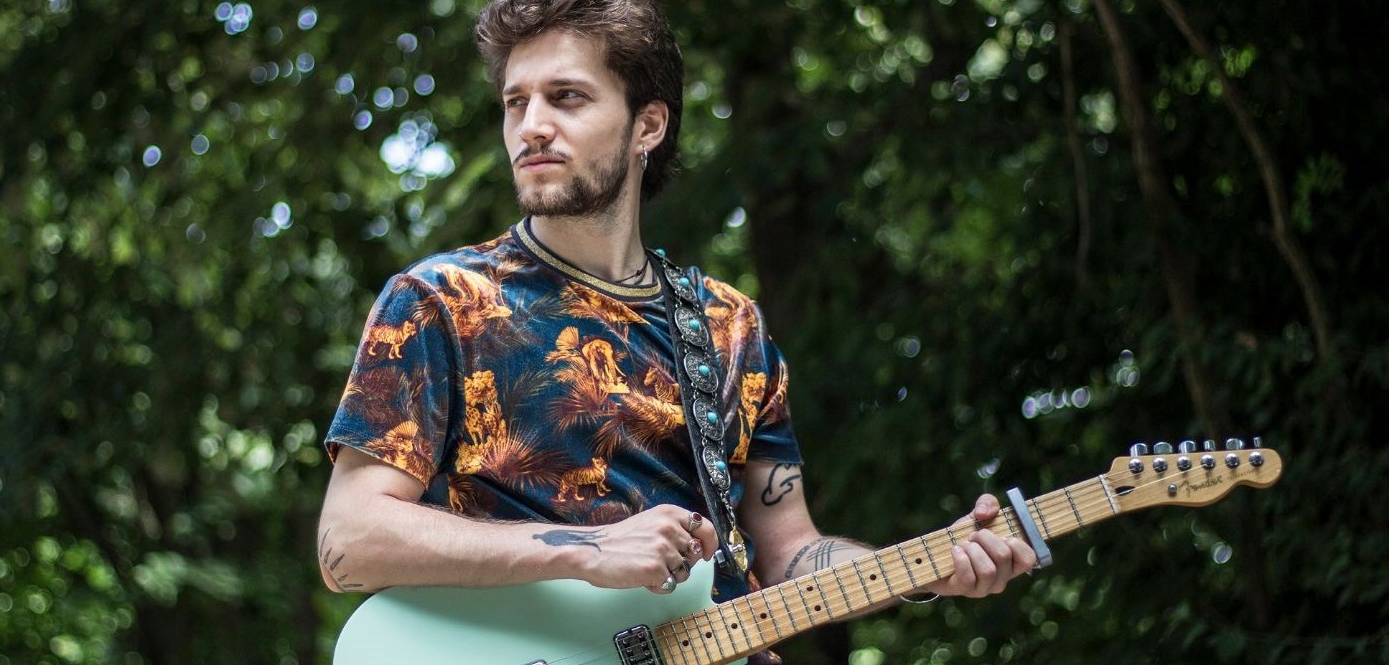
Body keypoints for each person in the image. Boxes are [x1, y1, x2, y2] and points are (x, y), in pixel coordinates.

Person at [316, 0, 1036, 656]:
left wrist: (927, 566)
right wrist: (585, 549)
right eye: (516, 102)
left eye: (567, 96)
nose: (531, 124)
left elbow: (789, 552)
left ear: (648, 126)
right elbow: (348, 541)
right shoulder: (443, 301)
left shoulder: (730, 327)